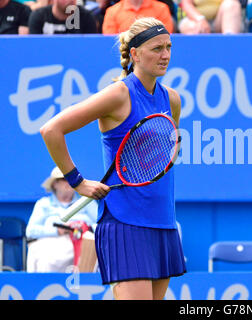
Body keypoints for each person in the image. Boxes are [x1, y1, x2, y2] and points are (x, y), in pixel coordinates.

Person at [39, 17, 185, 300]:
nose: (165, 55)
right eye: (157, 48)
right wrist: (77, 182)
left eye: (168, 47)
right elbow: (51, 130)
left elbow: (170, 145)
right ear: (135, 54)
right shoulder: (118, 94)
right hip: (125, 221)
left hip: (163, 219)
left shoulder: (172, 99)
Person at [26, 167, 97, 272]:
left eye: (71, 179)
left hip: (83, 243)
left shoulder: (86, 202)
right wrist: (57, 231)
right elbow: (30, 231)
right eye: (64, 179)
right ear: (55, 184)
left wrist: (86, 228)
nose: (68, 183)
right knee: (42, 254)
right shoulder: (43, 204)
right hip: (52, 244)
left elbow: (101, 225)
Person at [102, 0, 174, 34]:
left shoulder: (161, 8)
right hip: (123, 53)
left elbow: (164, 36)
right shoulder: (112, 11)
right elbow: (110, 39)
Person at [28, 0, 98, 34]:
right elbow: (35, 47)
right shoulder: (39, 16)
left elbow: (90, 47)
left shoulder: (87, 17)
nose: (71, 0)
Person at [178, 0, 242, 34]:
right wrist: (200, 19)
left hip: (219, 21)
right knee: (192, 27)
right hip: (195, 19)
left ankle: (229, 44)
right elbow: (186, 4)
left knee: (232, 5)